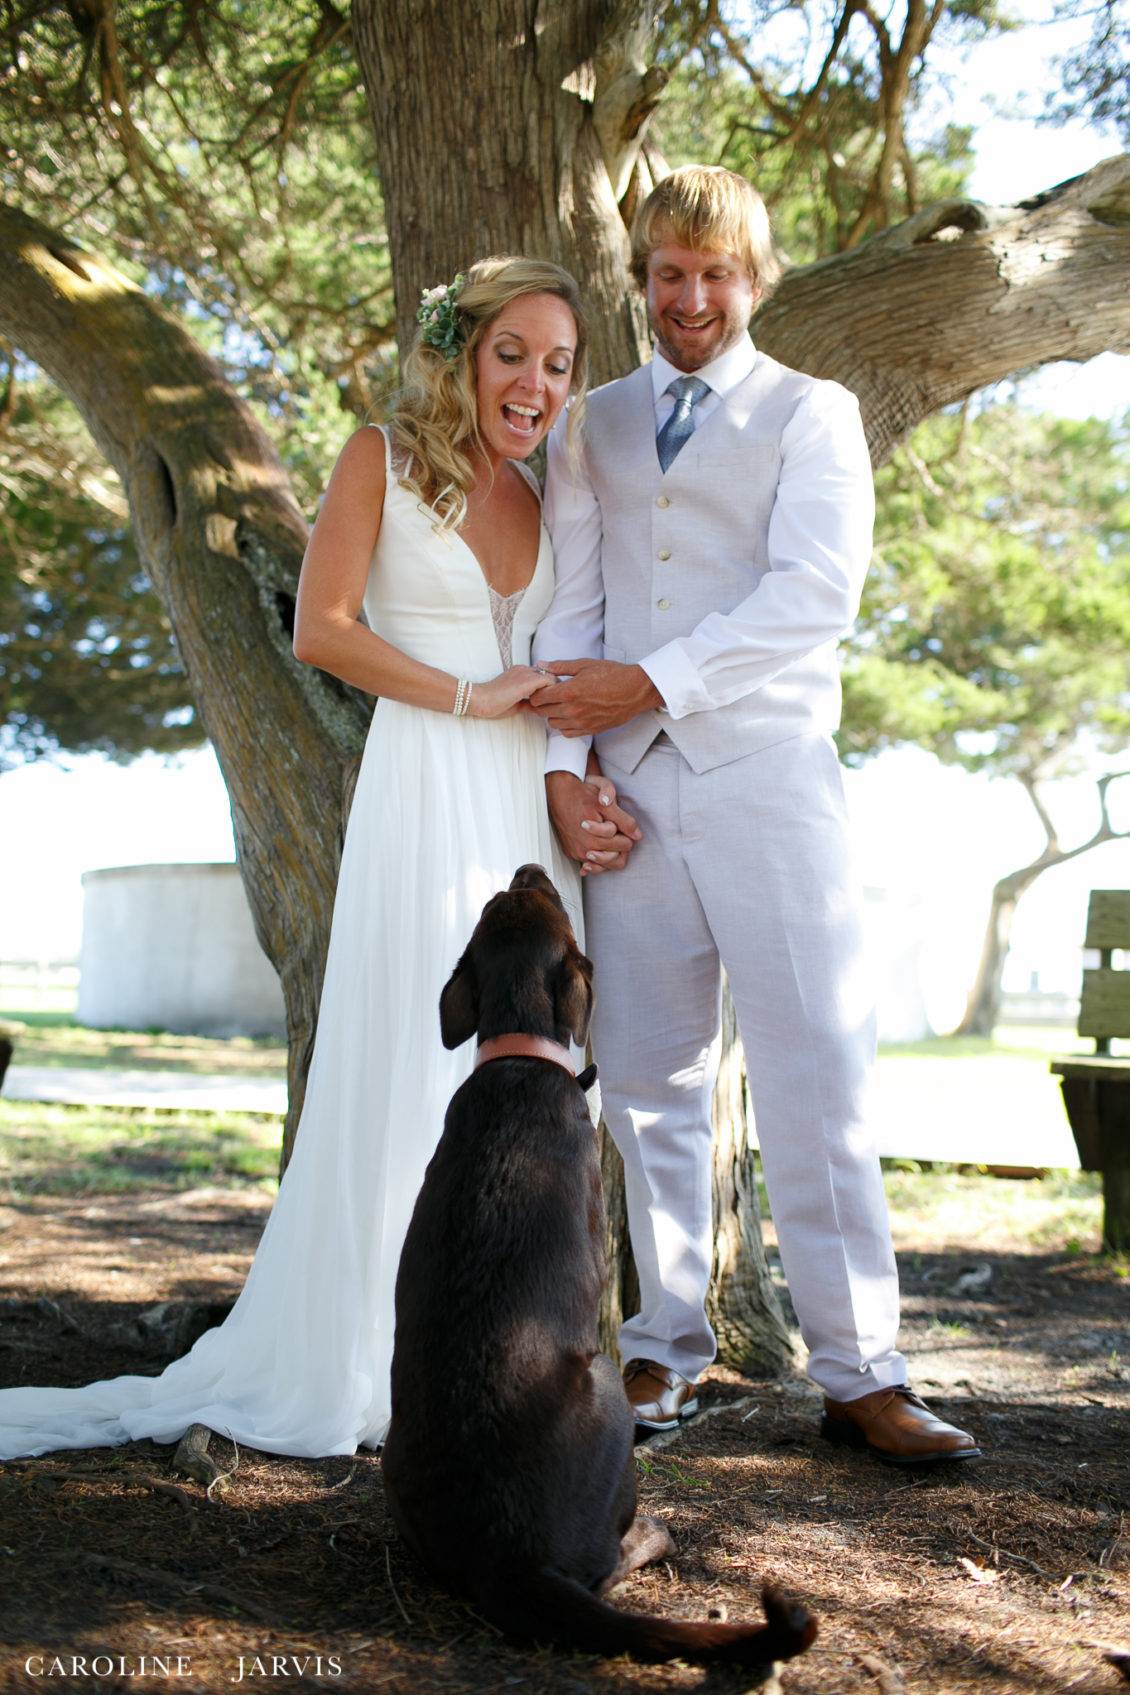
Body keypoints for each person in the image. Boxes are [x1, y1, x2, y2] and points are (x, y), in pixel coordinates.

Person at [0, 255, 598, 1461]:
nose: (534, 384)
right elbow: (322, 631)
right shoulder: (379, 457)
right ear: (459, 353)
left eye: (556, 365)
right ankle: (371, 1354)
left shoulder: (549, 495)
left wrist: (574, 786)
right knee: (411, 1061)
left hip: (521, 810)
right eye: (511, 354)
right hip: (424, 780)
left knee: (526, 1075)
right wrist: (469, 696)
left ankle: (501, 1356)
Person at [531, 167, 980, 1466]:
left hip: (769, 775)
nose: (690, 297)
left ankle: (860, 1371)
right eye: (668, 273)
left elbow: (814, 594)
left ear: (755, 279)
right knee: (648, 1081)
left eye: (714, 273)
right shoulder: (591, 423)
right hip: (626, 791)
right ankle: (660, 1347)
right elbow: (568, 605)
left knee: (816, 1070)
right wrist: (566, 764)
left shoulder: (810, 412)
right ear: (640, 279)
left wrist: (651, 681)